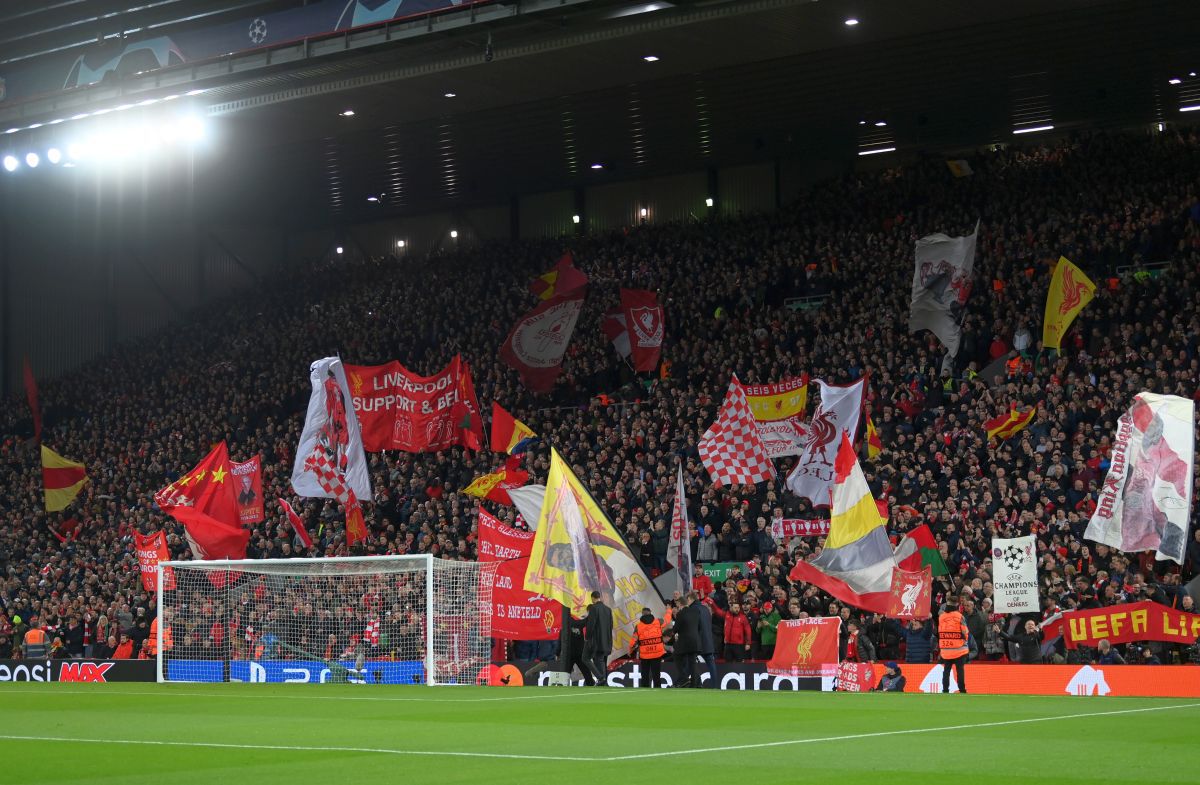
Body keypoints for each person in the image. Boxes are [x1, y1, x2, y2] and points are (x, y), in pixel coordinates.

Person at [936, 599, 969, 693]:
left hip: (946, 649)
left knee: (946, 670)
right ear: (957, 605)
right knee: (960, 670)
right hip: (959, 649)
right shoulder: (960, 616)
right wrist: (964, 639)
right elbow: (965, 631)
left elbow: (940, 630)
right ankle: (962, 690)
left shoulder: (941, 617)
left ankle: (945, 689)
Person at [671, 593, 702, 687]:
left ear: (680, 604)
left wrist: (676, 634)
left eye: (677, 605)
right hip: (695, 641)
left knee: (676, 656)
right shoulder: (696, 612)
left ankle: (684, 679)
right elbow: (699, 626)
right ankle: (696, 684)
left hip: (684, 641)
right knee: (692, 662)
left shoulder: (680, 613)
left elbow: (676, 629)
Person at [629, 607, 665, 688]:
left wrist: (630, 650)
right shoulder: (659, 622)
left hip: (645, 655)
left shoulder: (638, 626)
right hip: (657, 653)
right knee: (656, 675)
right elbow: (667, 620)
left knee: (645, 674)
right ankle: (658, 691)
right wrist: (669, 610)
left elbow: (633, 640)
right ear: (650, 612)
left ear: (642, 614)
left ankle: (645, 691)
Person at [583, 591, 613, 685]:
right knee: (600, 659)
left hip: (595, 640)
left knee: (585, 658)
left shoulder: (594, 608)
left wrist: (587, 637)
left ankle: (600, 677)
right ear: (599, 597)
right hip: (606, 640)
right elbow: (611, 625)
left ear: (593, 598)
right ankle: (602, 681)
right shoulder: (608, 609)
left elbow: (591, 625)